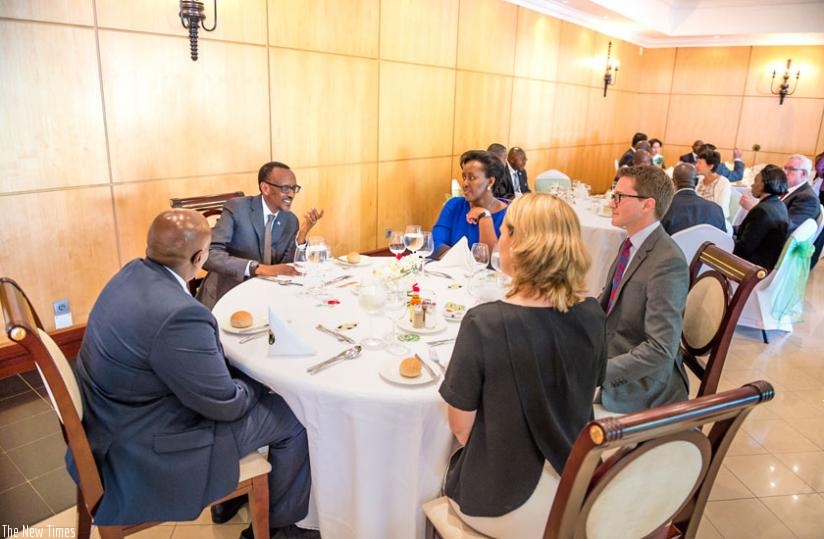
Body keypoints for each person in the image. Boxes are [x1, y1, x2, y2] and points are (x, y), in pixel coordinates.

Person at [68, 210, 311, 539]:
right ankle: (281, 528)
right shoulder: (179, 315)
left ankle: (240, 497)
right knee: (291, 415)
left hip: (110, 420)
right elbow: (226, 406)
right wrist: (262, 381)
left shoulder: (130, 273)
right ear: (199, 257)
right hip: (142, 450)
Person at [439, 193, 606, 538]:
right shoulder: (593, 314)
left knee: (435, 468)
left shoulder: (484, 323)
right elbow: (587, 394)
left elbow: (461, 429)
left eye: (504, 231)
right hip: (577, 487)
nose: (499, 238)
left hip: (502, 501)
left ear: (517, 244)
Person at [598, 165, 689, 413]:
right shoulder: (631, 243)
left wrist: (598, 373)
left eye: (619, 197)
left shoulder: (667, 261)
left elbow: (661, 349)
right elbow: (609, 301)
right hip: (613, 346)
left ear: (647, 205)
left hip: (642, 381)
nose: (611, 203)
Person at [197, 161, 324, 310]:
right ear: (265, 188)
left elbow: (286, 267)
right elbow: (209, 255)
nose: (291, 194)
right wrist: (255, 268)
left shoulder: (290, 220)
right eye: (286, 188)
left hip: (267, 295)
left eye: (294, 188)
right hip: (226, 294)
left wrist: (302, 234)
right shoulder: (237, 208)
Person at [432, 150, 508, 256]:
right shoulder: (454, 205)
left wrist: (484, 217)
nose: (465, 184)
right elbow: (435, 243)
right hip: (453, 267)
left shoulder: (511, 214)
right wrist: (464, 261)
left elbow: (496, 260)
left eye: (472, 178)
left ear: (490, 181)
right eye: (464, 177)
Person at [734, 165, 790, 270]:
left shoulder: (762, 211)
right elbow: (749, 231)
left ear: (765, 184)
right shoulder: (779, 205)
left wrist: (724, 239)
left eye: (756, 181)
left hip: (753, 268)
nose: (752, 185)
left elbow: (743, 249)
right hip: (765, 262)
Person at [661, 162, 726, 235]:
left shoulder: (663, 209)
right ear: (696, 182)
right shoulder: (716, 210)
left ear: (672, 182)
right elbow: (724, 240)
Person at [695, 147, 732, 219]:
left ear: (710, 166)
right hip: (698, 217)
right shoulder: (700, 179)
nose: (696, 165)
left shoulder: (723, 183)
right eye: (697, 162)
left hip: (714, 220)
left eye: (699, 163)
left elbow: (721, 209)